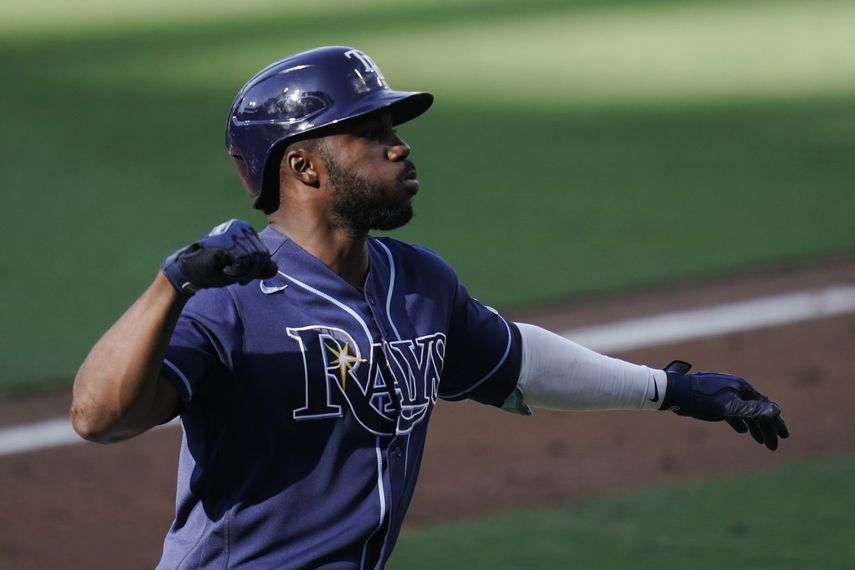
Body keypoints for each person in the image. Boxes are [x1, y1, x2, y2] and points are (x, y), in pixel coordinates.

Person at [70, 46, 789, 569]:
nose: (400, 147)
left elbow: (513, 359)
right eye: (372, 134)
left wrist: (671, 389)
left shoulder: (416, 281)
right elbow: (98, 417)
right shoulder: (228, 298)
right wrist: (173, 285)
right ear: (303, 166)